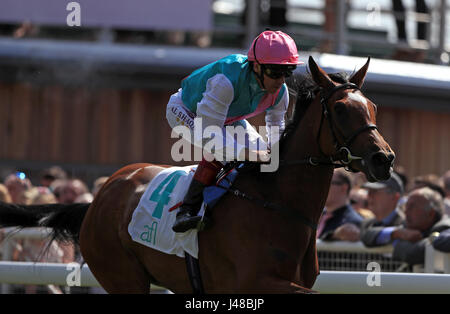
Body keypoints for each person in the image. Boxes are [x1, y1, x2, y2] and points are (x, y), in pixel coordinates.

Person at [166, 30, 302, 232]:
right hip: (186, 112)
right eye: (275, 72)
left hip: (226, 119)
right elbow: (210, 135)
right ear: (257, 66)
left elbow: (277, 131)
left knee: (269, 157)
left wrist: (274, 154)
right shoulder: (226, 81)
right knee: (222, 151)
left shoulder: (281, 93)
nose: (281, 80)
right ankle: (186, 211)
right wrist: (252, 154)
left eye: (287, 72)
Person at [392, 187, 450, 265]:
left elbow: (413, 253)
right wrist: (395, 234)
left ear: (431, 213)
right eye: (406, 206)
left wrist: (396, 242)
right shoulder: (405, 226)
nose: (406, 211)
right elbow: (371, 233)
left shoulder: (444, 227)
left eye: (412, 207)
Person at [316, 168, 364, 241]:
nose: (322, 187)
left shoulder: (352, 222)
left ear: (344, 188)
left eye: (327, 182)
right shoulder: (317, 216)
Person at [359, 172, 405, 247]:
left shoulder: (404, 224)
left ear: (395, 197)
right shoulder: (366, 224)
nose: (369, 196)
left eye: (375, 191)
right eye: (369, 191)